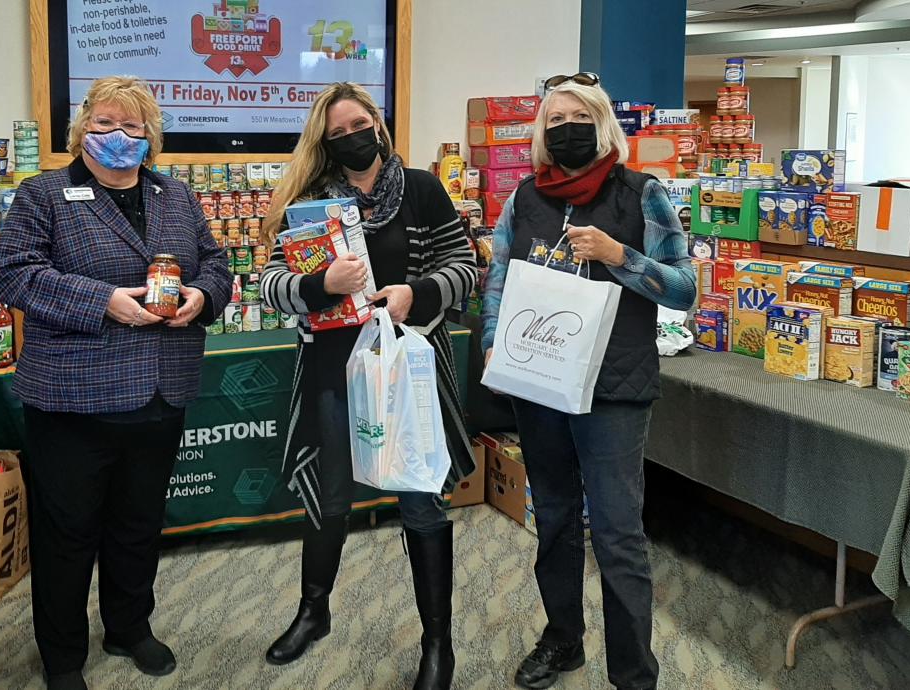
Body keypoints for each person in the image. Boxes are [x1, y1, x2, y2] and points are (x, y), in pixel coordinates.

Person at [0, 76, 232, 690]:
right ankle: (63, 657)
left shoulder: (176, 196)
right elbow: (13, 275)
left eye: (130, 127)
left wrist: (201, 296)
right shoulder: (44, 193)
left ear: (150, 137)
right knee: (67, 534)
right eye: (102, 124)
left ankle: (129, 627)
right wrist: (104, 302)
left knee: (138, 522)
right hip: (73, 401)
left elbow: (216, 264)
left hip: (160, 392)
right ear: (80, 131)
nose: (115, 137)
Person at [481, 74, 696, 690]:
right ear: (541, 134)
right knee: (552, 515)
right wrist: (495, 341)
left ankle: (633, 675)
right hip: (540, 381)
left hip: (614, 387)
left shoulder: (642, 194)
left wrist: (618, 255)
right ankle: (562, 641)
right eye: (554, 120)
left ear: (602, 124)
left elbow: (684, 291)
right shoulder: (525, 199)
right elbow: (499, 277)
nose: (565, 127)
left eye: (577, 116)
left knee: (617, 532)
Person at [260, 82, 478, 690]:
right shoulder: (308, 204)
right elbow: (271, 283)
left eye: (359, 124)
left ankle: (439, 645)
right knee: (328, 497)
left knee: (420, 499)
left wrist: (418, 294)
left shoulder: (424, 191)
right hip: (334, 368)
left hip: (405, 371)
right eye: (337, 133)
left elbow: (465, 269)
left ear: (378, 125)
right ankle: (314, 611)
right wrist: (320, 284)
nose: (352, 137)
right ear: (324, 143)